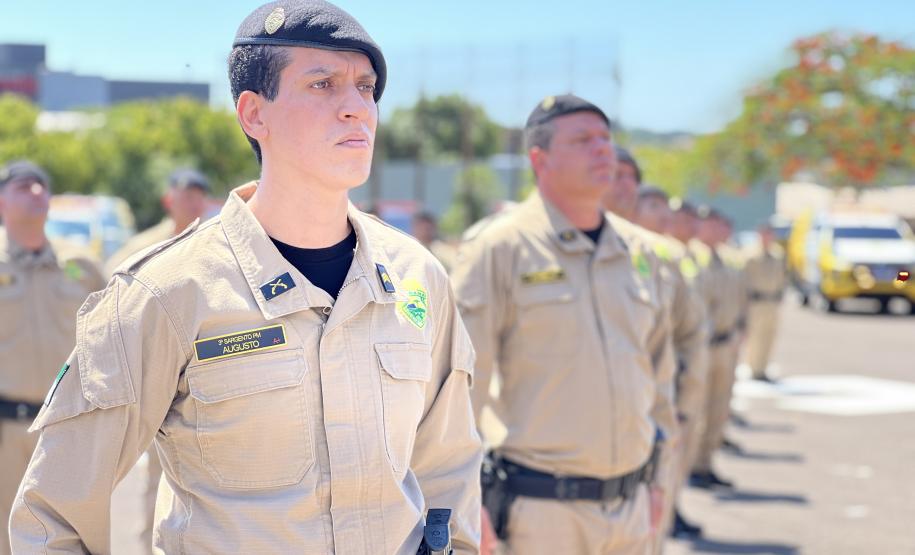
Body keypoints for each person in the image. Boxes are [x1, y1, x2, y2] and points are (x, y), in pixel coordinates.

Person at [10, 2, 482, 553]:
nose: (357, 107)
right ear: (254, 114)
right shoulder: (166, 292)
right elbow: (52, 517)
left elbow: (449, 464)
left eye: (366, 85)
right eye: (323, 84)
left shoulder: (417, 277)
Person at [453, 94, 675, 555]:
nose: (602, 151)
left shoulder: (641, 253)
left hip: (632, 506)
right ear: (540, 159)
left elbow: (660, 377)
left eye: (605, 139)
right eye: (582, 140)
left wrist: (660, 482)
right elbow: (460, 387)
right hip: (541, 514)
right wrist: (462, 501)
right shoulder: (499, 248)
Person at [103, 167, 211, 552]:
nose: (195, 200)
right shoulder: (144, 246)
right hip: (152, 375)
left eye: (200, 193)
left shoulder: (216, 245)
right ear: (170, 199)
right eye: (188, 193)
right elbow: (113, 299)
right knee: (155, 477)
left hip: (205, 380)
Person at [0, 160, 105, 555]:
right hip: (5, 433)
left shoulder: (81, 265)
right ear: (1, 201)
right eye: (24, 186)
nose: (37, 193)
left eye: (42, 185)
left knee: (68, 539)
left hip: (66, 430)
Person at [606, 157, 709, 545]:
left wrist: (682, 404)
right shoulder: (529, 245)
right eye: (617, 175)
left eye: (631, 179)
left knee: (648, 530)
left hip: (650, 413)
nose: (622, 185)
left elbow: (685, 333)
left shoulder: (657, 253)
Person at [689, 207, 745, 490]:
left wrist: (738, 330)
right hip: (702, 347)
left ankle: (705, 463)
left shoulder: (726, 260)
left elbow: (737, 300)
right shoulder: (692, 258)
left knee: (717, 408)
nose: (722, 231)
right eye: (715, 225)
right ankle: (691, 466)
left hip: (725, 342)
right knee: (696, 410)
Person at [105, 168, 211, 275]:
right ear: (168, 202)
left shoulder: (211, 239)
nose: (197, 205)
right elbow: (112, 273)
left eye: (201, 197)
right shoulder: (147, 244)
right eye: (189, 197)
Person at [743, 222, 787, 381]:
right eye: (764, 234)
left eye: (770, 234)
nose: (767, 238)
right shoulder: (751, 255)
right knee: (756, 337)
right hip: (756, 302)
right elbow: (744, 280)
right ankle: (755, 368)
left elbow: (782, 276)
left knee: (770, 335)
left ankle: (763, 367)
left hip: (772, 301)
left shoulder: (778, 255)